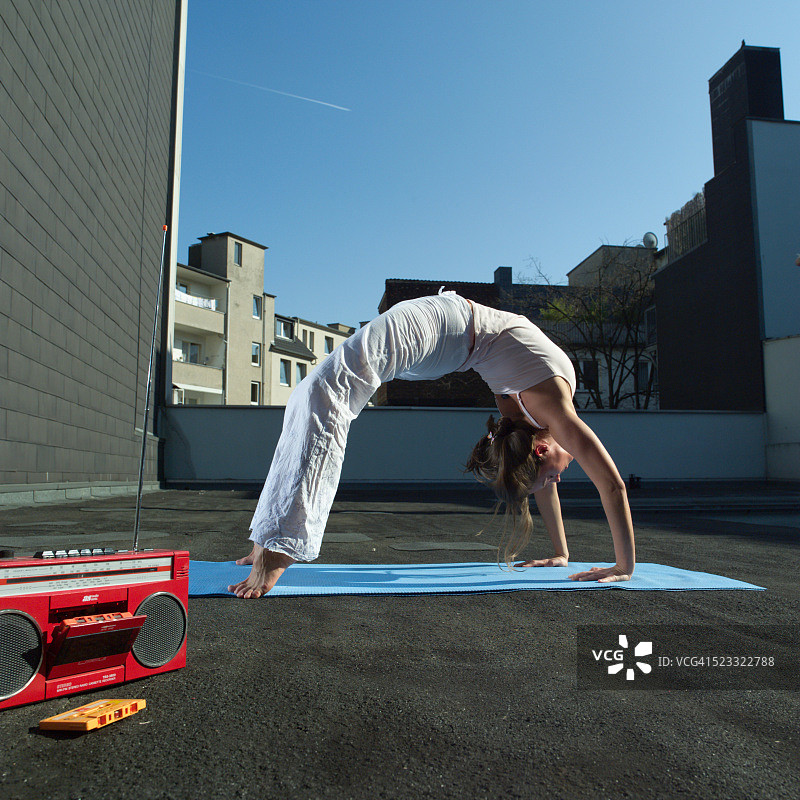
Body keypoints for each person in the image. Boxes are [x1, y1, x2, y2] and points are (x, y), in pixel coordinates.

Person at [229, 289, 635, 598]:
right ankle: (277, 542)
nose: (557, 482)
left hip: (446, 346)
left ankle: (272, 538)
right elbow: (612, 486)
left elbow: (536, 481)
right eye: (552, 478)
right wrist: (623, 566)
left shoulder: (526, 427)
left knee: (315, 393)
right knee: (319, 393)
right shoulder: (556, 410)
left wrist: (562, 553)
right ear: (542, 450)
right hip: (446, 327)